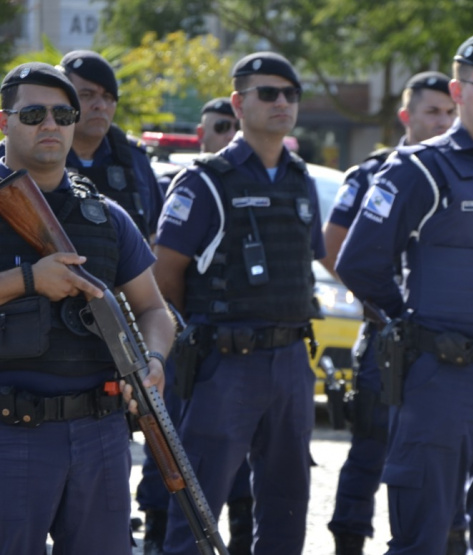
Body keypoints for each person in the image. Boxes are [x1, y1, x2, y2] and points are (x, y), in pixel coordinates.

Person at [336, 33, 473, 555]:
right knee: (422, 537)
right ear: (459, 92)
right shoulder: (419, 169)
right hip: (442, 380)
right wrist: (408, 325)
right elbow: (360, 262)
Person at [153, 52, 324, 555]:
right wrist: (207, 331)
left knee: (288, 504)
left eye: (290, 94)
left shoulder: (300, 178)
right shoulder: (206, 178)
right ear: (238, 102)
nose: (281, 103)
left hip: (292, 362)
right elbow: (166, 274)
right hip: (225, 364)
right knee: (200, 508)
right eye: (267, 93)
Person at [0, 62, 171, 553]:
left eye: (62, 112)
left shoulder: (106, 215)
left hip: (100, 434)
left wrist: (154, 362)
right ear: (4, 122)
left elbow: (155, 310)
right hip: (10, 434)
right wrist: (29, 279)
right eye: (33, 113)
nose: (50, 124)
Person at [322, 71, 464, 555]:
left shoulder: (463, 172)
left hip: (445, 342)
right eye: (432, 111)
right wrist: (387, 305)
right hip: (387, 338)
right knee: (369, 453)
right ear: (407, 115)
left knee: (444, 458)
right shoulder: (373, 172)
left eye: (449, 112)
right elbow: (335, 248)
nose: (443, 121)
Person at [136, 96, 252, 555]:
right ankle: (159, 531)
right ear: (202, 132)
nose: (228, 134)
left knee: (240, 461)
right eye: (219, 126)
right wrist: (185, 327)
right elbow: (165, 271)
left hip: (240, 353)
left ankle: (240, 532)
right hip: (186, 338)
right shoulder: (189, 181)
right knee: (167, 442)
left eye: (232, 126)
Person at [57, 50, 164, 242]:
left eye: (108, 97)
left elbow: (155, 235)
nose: (101, 106)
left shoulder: (134, 159)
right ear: (62, 99)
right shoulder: (34, 152)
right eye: (87, 95)